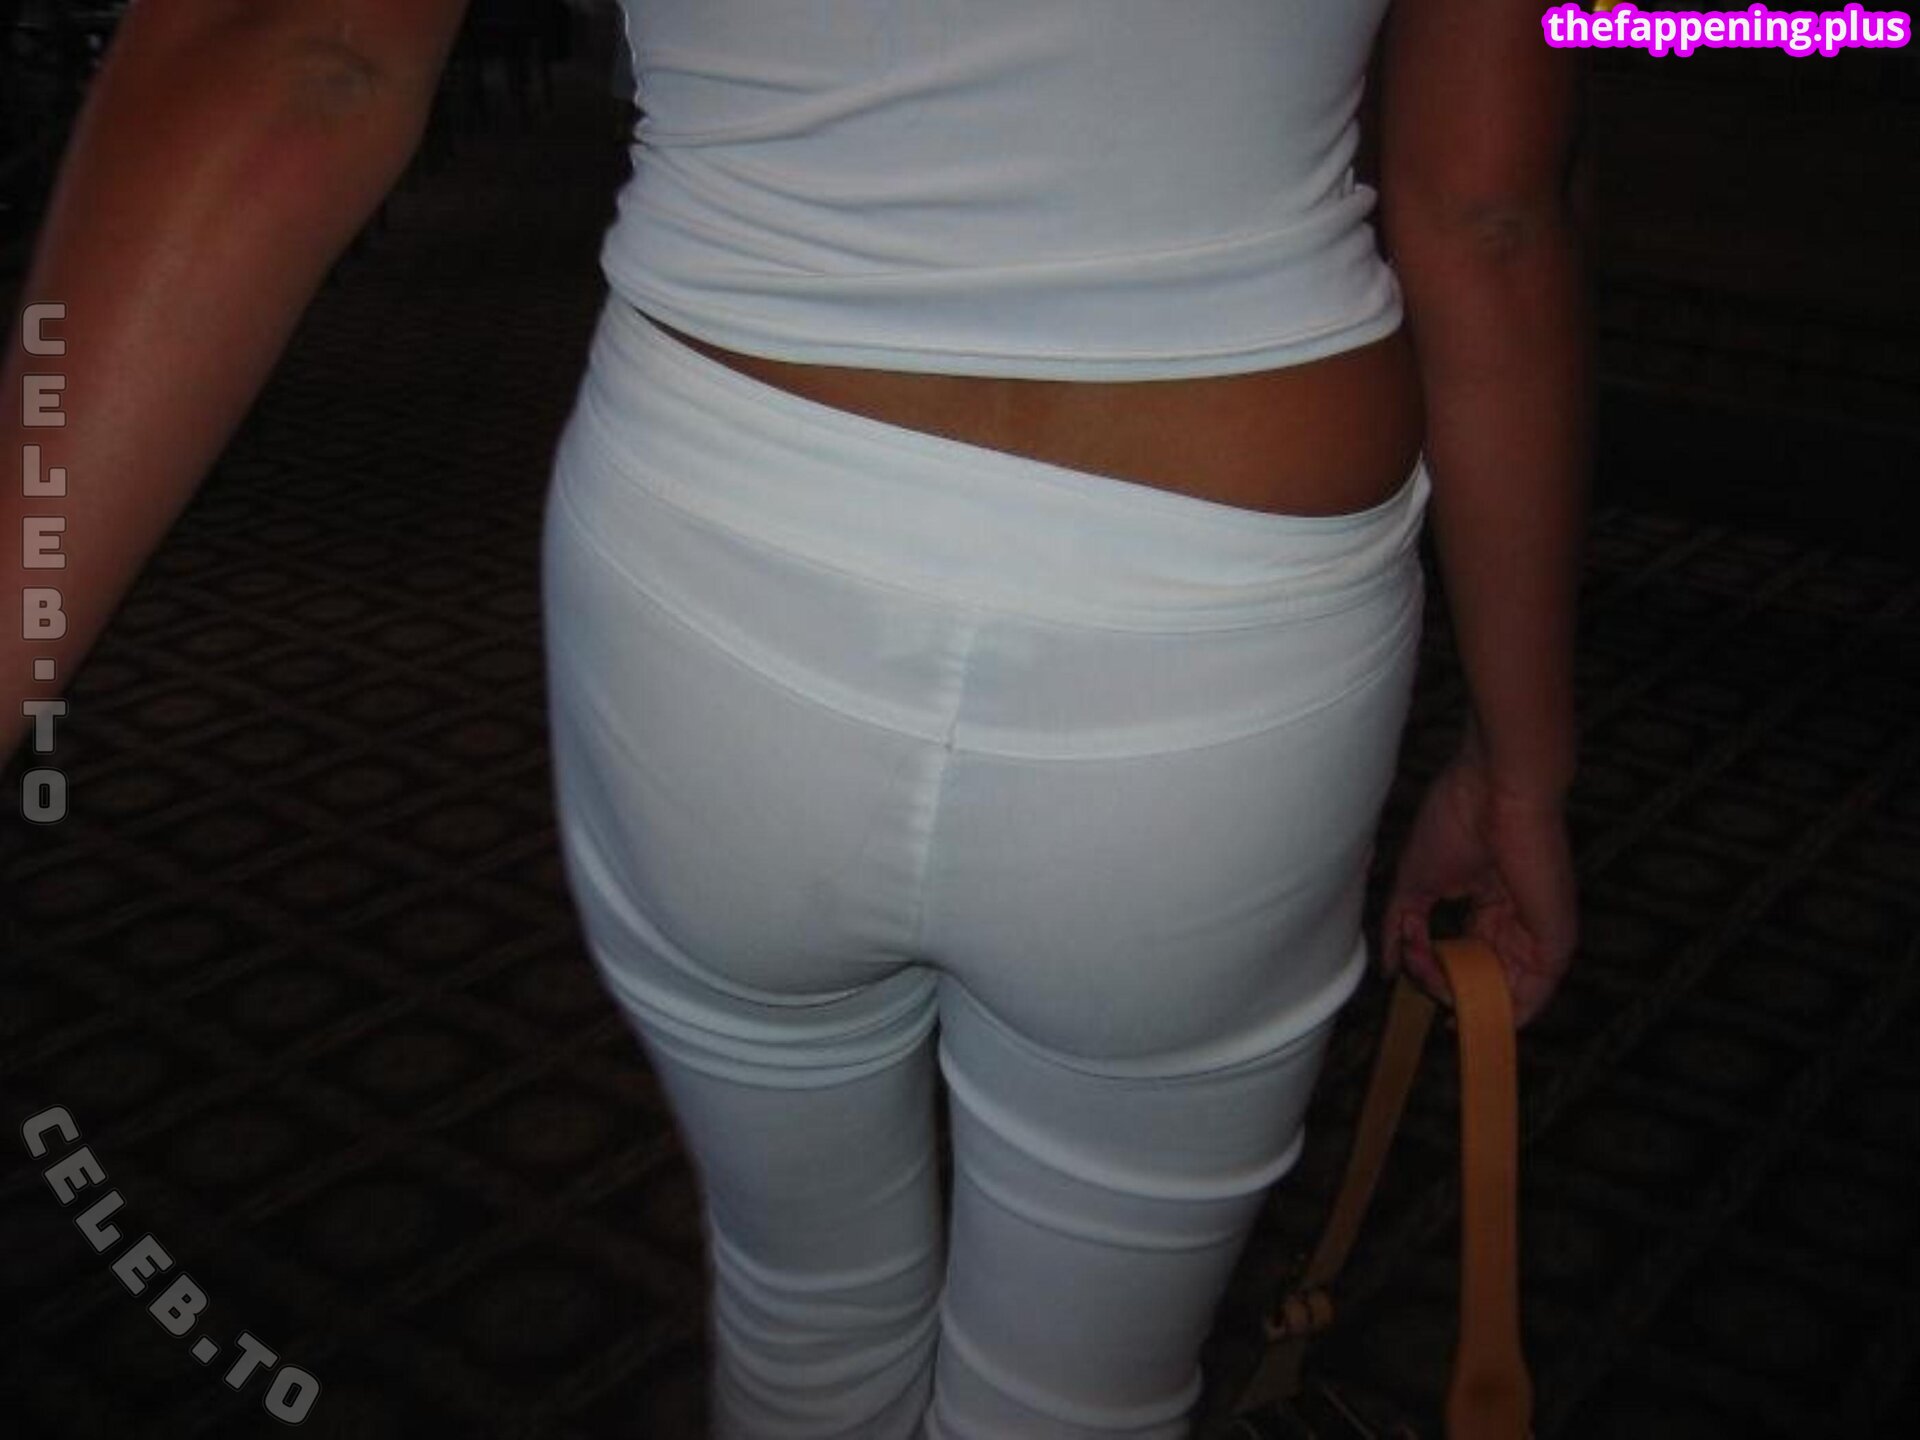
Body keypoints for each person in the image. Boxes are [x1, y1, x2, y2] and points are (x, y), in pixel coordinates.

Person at [2, 2, 1585, 1436]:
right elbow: (1487, 217)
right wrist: (1522, 765)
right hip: (1220, 645)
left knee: (803, 1320)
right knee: (1081, 1405)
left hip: (732, 571)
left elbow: (298, 48)